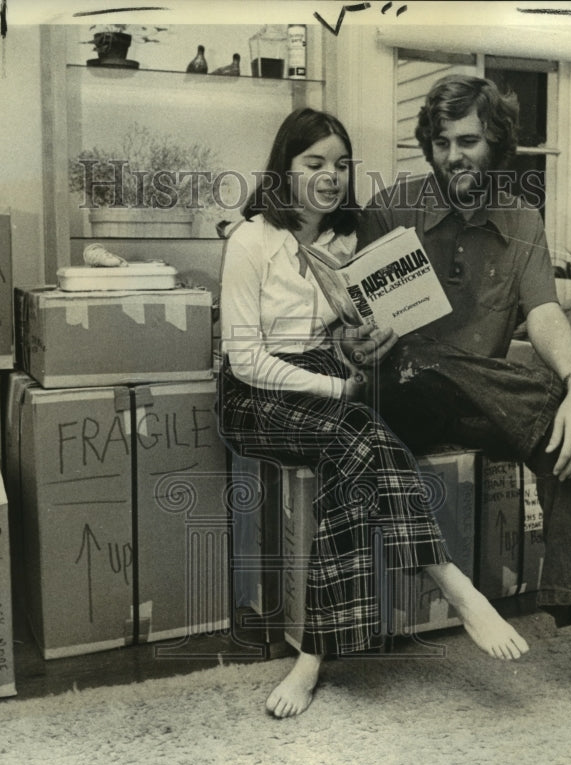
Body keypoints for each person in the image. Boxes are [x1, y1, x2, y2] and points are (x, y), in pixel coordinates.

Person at [353, 75, 571, 736]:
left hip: (492, 402)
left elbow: (541, 312)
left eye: (470, 140)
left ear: (497, 144)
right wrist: (356, 332)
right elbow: (347, 308)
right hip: (404, 396)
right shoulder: (391, 208)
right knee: (430, 361)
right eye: (443, 141)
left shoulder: (521, 220)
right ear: (430, 146)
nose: (455, 154)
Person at [217, 108, 530, 719]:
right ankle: (447, 576)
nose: (331, 176)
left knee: (353, 456)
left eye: (341, 164)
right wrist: (336, 389)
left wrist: (365, 341)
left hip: (335, 389)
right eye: (315, 163)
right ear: (285, 167)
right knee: (362, 428)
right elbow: (247, 359)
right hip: (255, 397)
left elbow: (364, 326)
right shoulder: (251, 240)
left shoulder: (350, 240)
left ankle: (312, 657)